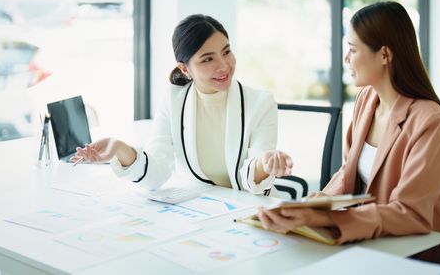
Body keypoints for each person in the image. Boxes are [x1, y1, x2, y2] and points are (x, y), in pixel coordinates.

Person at [257, 1, 440, 243]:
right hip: (371, 240)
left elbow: (411, 213)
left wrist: (325, 219)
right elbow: (348, 172)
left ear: (384, 55)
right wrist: (313, 205)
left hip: (415, 249)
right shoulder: (367, 99)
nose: (346, 58)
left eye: (352, 49)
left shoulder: (430, 121)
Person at [71, 14, 293, 194]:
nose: (224, 65)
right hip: (200, 212)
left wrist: (265, 164)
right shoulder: (173, 100)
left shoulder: (261, 103)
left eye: (226, 52)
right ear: (185, 68)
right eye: (208, 59)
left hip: (250, 212)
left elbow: (249, 179)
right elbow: (156, 172)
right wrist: (119, 148)